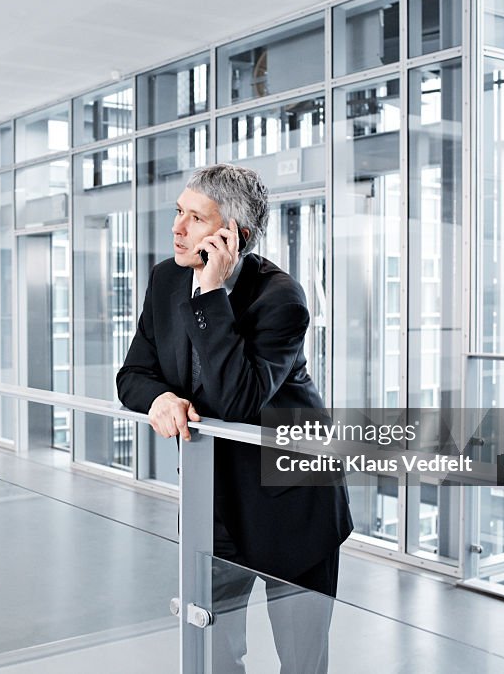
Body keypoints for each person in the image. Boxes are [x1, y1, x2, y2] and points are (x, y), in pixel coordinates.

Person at [116, 164, 352, 673]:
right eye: (178, 212)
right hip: (214, 505)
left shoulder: (282, 299)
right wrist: (157, 398)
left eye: (195, 218)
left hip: (294, 505)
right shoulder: (164, 280)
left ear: (233, 236)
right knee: (212, 654)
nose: (177, 227)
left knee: (301, 662)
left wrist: (210, 295)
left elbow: (240, 400)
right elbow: (132, 374)